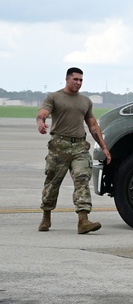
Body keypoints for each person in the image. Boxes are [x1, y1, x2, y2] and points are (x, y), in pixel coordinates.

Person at [36, 67, 111, 234]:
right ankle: (46, 215)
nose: (78, 83)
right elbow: (43, 112)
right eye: (75, 79)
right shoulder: (54, 97)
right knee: (52, 183)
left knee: (82, 180)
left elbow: (93, 125)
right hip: (59, 147)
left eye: (81, 80)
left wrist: (104, 148)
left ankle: (83, 220)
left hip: (79, 147)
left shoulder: (85, 101)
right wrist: (40, 122)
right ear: (67, 79)